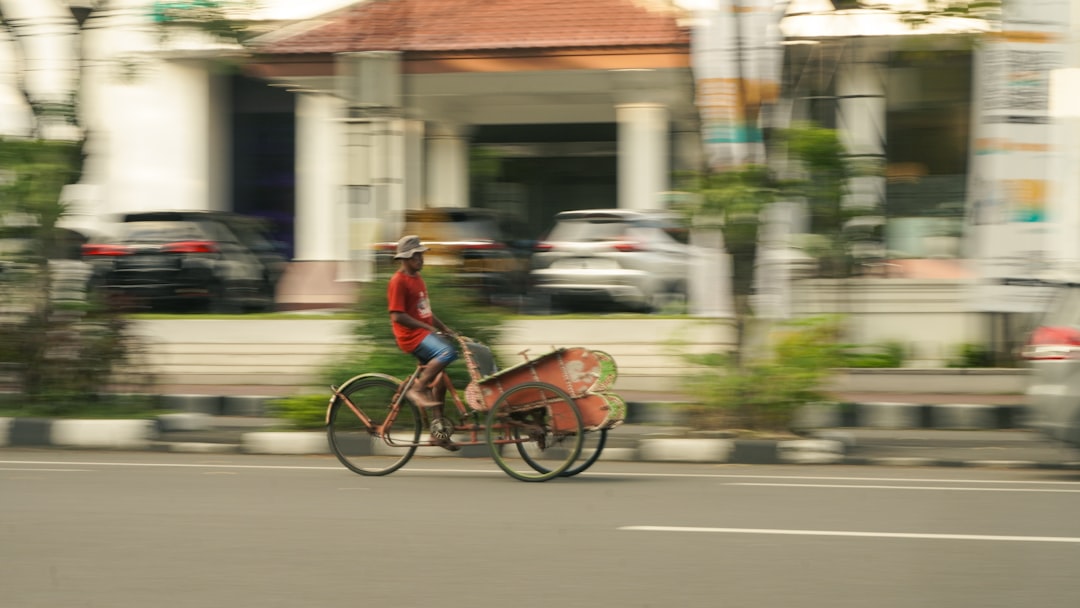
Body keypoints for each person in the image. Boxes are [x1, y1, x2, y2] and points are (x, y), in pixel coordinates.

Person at [387, 234, 460, 450]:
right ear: (406, 258)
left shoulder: (417, 279)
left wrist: (444, 328)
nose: (421, 259)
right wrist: (428, 329)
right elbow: (397, 315)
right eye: (417, 256)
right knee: (447, 353)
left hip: (423, 333)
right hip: (410, 337)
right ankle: (418, 389)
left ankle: (438, 434)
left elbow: (425, 311)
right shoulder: (398, 281)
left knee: (440, 382)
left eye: (421, 255)